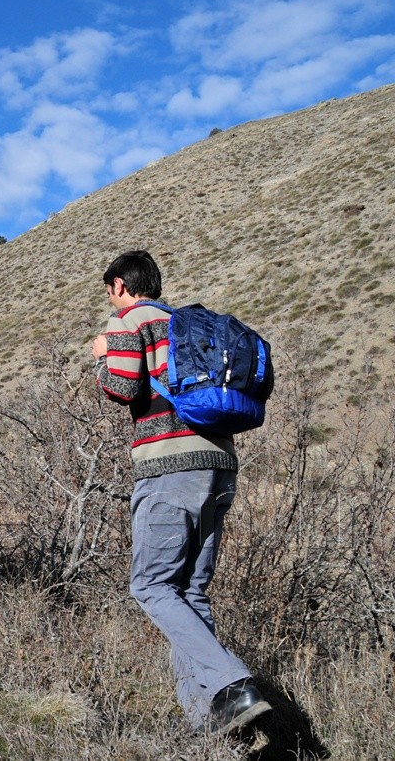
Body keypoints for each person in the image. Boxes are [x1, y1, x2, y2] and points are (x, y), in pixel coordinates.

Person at [91, 250, 271, 735]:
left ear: (120, 285)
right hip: (219, 463)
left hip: (170, 465)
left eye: (110, 290)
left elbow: (124, 388)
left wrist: (105, 353)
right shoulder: (184, 322)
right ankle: (211, 718)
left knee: (149, 585)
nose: (111, 298)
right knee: (191, 590)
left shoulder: (132, 319)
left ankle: (233, 684)